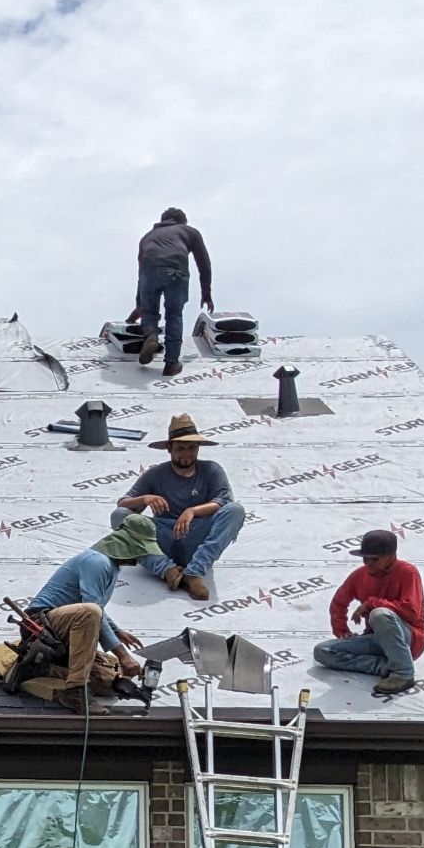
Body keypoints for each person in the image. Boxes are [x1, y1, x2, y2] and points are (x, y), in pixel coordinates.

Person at [23, 512, 161, 706]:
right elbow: (92, 611)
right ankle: (75, 690)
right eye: (141, 550)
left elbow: (96, 608)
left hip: (60, 630)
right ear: (128, 545)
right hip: (40, 625)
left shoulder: (110, 566)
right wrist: (123, 655)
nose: (141, 557)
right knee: (92, 614)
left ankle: (45, 667)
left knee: (110, 680)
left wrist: (116, 631)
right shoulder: (97, 562)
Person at [115, 414, 246, 599]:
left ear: (198, 448)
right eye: (180, 448)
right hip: (163, 538)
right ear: (169, 448)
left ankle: (194, 572)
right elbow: (123, 504)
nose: (186, 454)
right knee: (119, 516)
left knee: (236, 510)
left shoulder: (211, 470)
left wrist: (192, 511)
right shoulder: (155, 474)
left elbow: (224, 499)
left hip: (196, 536)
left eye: (192, 448)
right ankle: (166, 569)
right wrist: (144, 499)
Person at [318, 528, 424, 696]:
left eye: (375, 559)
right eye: (365, 559)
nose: (369, 564)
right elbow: (338, 603)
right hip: (376, 638)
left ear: (391, 556)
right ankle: (385, 667)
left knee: (379, 615)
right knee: (322, 651)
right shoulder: (359, 575)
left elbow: (411, 611)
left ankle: (403, 673)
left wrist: (371, 603)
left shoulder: (408, 572)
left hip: (409, 639)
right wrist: (341, 631)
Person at [130, 207, 213, 375]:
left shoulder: (147, 237)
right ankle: (171, 363)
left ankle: (151, 337)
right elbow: (204, 263)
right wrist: (206, 294)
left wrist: (139, 304)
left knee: (149, 312)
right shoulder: (189, 231)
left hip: (149, 275)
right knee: (174, 314)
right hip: (175, 272)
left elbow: (141, 272)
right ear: (183, 221)